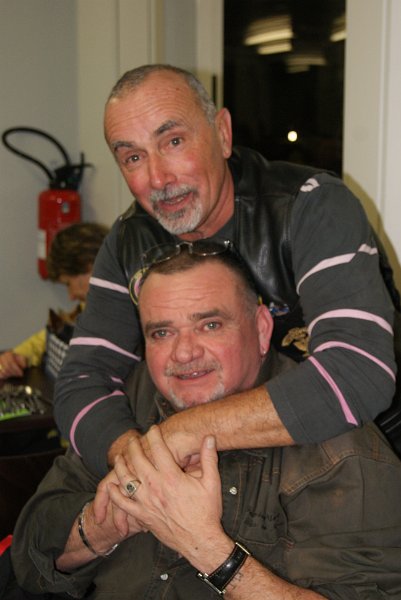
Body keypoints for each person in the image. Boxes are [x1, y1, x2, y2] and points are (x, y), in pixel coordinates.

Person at [54, 64, 399, 481]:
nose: (157, 178)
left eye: (174, 141)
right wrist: (140, 465)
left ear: (222, 133)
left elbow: (358, 371)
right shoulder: (129, 243)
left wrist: (183, 434)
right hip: (242, 473)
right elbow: (80, 381)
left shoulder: (311, 207)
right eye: (133, 157)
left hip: (368, 463)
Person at [10, 247, 401, 599]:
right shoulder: (128, 402)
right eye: (162, 332)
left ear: (262, 329)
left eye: (210, 325)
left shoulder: (341, 450)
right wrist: (104, 526)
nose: (183, 353)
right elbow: (27, 558)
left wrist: (207, 547)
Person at [0, 222, 109, 380]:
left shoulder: (126, 310)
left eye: (68, 283)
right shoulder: (92, 306)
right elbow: (47, 337)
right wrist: (18, 355)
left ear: (88, 265)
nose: (71, 296)